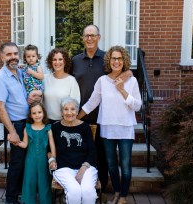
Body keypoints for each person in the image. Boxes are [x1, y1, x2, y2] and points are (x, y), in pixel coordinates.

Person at [71, 24, 132, 196]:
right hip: (81, 116)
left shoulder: (107, 58)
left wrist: (126, 75)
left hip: (103, 117)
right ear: (83, 38)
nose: (89, 38)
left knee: (104, 157)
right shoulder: (75, 61)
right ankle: (82, 187)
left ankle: (102, 188)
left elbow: (128, 73)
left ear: (99, 37)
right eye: (86, 35)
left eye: (93, 35)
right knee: (83, 154)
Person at [77, 45, 142, 204]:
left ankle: (124, 196)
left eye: (119, 58)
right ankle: (117, 192)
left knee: (125, 165)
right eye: (113, 58)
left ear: (124, 60)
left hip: (125, 128)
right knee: (111, 165)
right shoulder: (102, 81)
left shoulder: (131, 81)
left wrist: (122, 90)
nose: (116, 61)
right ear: (109, 60)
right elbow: (91, 103)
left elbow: (138, 106)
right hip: (107, 128)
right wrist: (75, 119)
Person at [0, 42, 29, 204]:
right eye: (9, 54)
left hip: (27, 123)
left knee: (24, 162)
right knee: (16, 163)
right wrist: (12, 132)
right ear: (2, 57)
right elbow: (0, 107)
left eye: (15, 53)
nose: (13, 57)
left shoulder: (19, 72)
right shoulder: (0, 78)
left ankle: (20, 191)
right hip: (16, 125)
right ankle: (11, 199)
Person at [51, 97, 98, 204]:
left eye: (72, 109)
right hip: (64, 167)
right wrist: (51, 160)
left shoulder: (85, 127)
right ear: (61, 112)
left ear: (77, 111)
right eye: (65, 109)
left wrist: (83, 168)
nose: (69, 112)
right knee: (74, 191)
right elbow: (50, 150)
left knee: (88, 192)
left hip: (86, 166)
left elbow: (92, 151)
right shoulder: (55, 128)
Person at [17, 102, 56, 204]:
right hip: (30, 160)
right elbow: (25, 144)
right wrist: (16, 141)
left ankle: (46, 201)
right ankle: (29, 201)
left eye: (39, 112)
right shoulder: (27, 128)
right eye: (34, 113)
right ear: (30, 115)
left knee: (44, 182)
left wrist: (53, 159)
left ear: (43, 113)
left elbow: (52, 146)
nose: (37, 115)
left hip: (43, 160)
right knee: (29, 181)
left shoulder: (48, 128)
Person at [43, 48, 80, 123]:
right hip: (46, 122)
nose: (57, 62)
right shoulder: (45, 79)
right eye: (54, 59)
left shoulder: (71, 80)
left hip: (64, 122)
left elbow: (75, 104)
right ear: (50, 62)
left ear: (65, 61)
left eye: (60, 59)